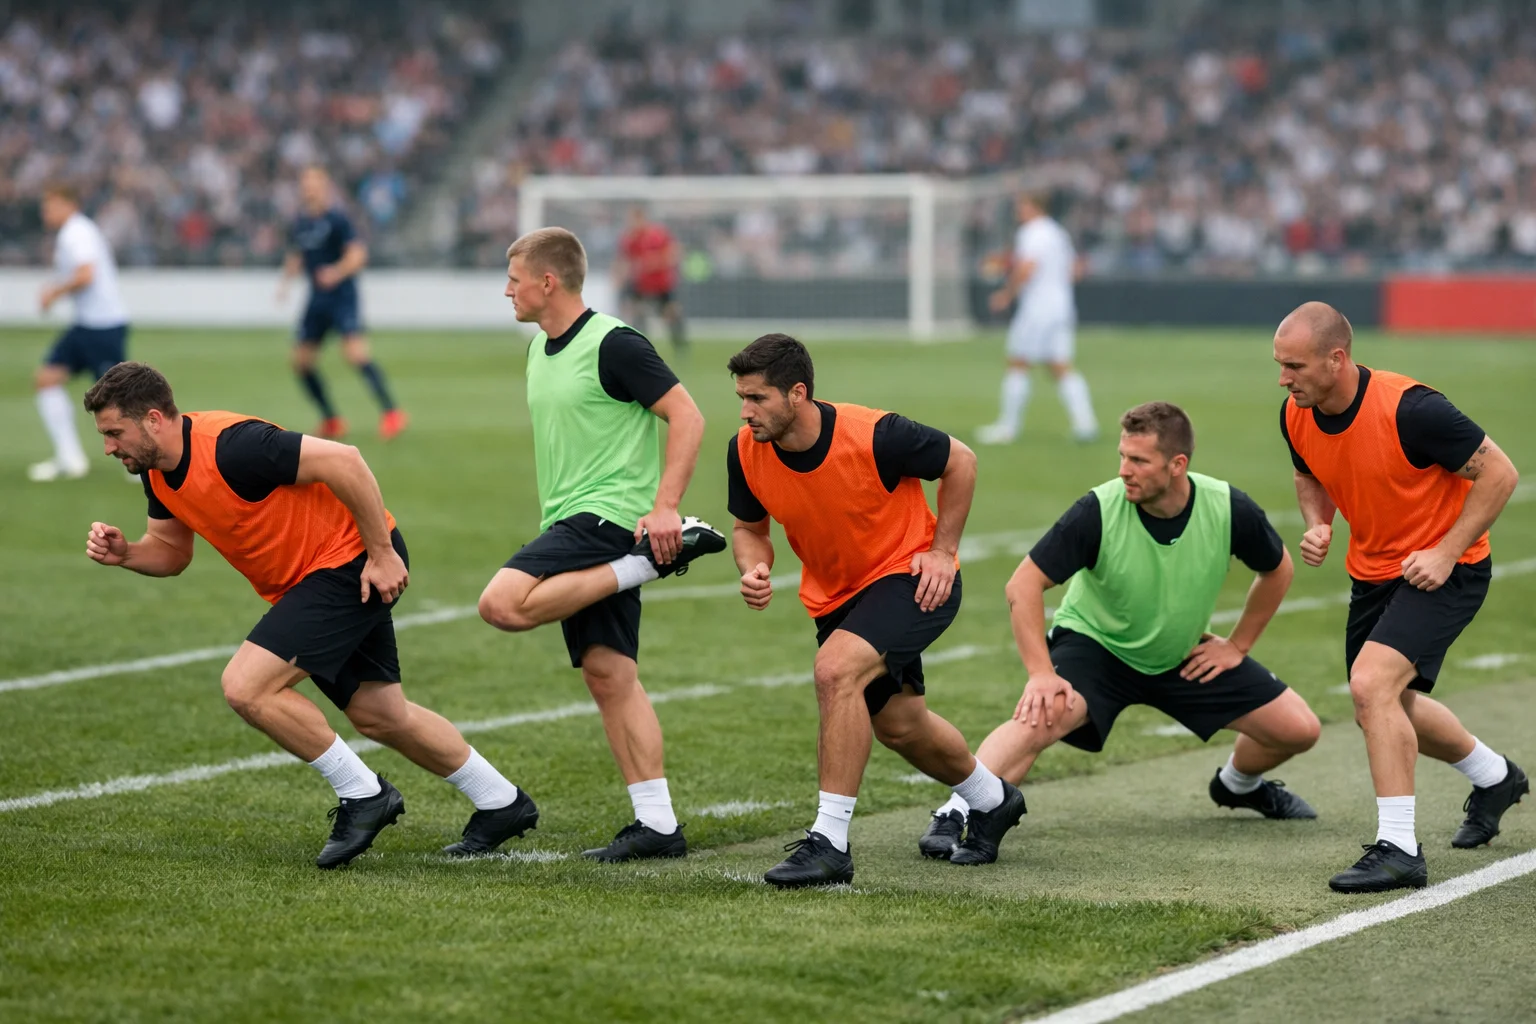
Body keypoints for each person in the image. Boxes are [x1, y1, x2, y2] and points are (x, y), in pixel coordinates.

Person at [82, 362, 533, 868]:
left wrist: (382, 554)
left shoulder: (235, 445)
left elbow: (345, 460)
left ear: (154, 419)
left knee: (247, 686)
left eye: (114, 433)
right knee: (380, 715)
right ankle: (502, 804)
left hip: (351, 562)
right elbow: (170, 551)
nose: (108, 447)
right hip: (314, 579)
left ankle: (363, 793)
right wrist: (126, 554)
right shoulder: (157, 473)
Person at [918, 402, 1321, 864]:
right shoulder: (1099, 508)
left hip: (1179, 654)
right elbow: (1023, 585)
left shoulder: (1228, 507)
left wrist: (1237, 645)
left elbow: (1278, 569)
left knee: (1299, 729)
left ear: (1177, 465)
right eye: (1123, 456)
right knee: (1043, 714)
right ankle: (956, 812)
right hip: (1096, 649)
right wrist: (1041, 674)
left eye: (1139, 461)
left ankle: (1238, 785)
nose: (1124, 470)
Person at [726, 333, 1017, 888]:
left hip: (910, 579)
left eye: (757, 398)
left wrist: (943, 551)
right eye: (741, 398)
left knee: (836, 671)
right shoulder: (744, 449)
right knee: (902, 728)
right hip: (836, 597)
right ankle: (992, 800)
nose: (746, 413)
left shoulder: (876, 434)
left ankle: (829, 844)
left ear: (798, 394)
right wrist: (753, 565)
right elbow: (748, 528)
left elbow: (961, 460)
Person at [478, 227, 724, 863]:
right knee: (609, 675)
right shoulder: (539, 348)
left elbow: (689, 416)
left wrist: (664, 508)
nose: (507, 289)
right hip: (576, 520)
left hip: (607, 518)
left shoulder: (613, 342)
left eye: (514, 278)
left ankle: (644, 563)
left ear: (548, 282)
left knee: (502, 604)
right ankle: (659, 826)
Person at [1274, 301, 1526, 894]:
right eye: (1280, 366)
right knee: (1391, 702)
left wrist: (1444, 552)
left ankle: (1399, 849)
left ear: (1337, 359)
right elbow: (1308, 471)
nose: (1284, 378)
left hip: (1449, 568)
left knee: (1371, 687)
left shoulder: (1413, 409)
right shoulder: (1297, 412)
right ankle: (1495, 777)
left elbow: (1501, 474)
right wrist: (1319, 523)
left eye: (1295, 366)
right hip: (1374, 570)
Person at [276, 166, 406, 441]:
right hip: (317, 299)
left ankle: (392, 412)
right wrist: (285, 283)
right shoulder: (301, 222)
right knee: (301, 362)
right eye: (305, 183)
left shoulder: (338, 219)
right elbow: (297, 255)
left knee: (356, 355)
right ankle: (331, 419)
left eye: (315, 183)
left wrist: (336, 272)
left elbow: (358, 255)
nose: (309, 188)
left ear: (325, 187)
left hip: (342, 297)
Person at [977, 192, 1098, 446]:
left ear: (1033, 206)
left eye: (1020, 205)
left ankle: (1008, 427)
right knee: (1060, 366)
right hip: (1061, 307)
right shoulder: (1057, 233)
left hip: (1037, 309)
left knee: (1017, 362)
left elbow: (1028, 267)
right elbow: (1075, 270)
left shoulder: (1032, 232)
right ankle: (1086, 425)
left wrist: (1007, 294)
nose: (1017, 211)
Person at [30, 182, 131, 482]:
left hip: (103, 326)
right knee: (47, 379)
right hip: (87, 325)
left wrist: (53, 292)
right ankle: (70, 458)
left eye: (49, 206)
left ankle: (147, 463)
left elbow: (87, 274)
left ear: (66, 203)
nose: (44, 212)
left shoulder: (77, 232)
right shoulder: (73, 232)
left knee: (119, 401)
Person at [616, 206, 687, 359]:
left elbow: (675, 253)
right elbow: (625, 260)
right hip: (640, 284)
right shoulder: (629, 239)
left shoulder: (657, 235)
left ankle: (680, 347)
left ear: (642, 218)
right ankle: (639, 348)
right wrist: (620, 276)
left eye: (634, 219)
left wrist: (654, 262)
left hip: (661, 284)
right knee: (636, 313)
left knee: (671, 313)